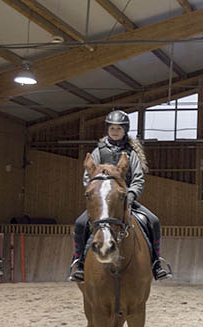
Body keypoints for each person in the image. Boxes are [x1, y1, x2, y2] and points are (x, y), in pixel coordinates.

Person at [68, 110, 169, 282]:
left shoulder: (131, 154)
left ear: (125, 130)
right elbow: (88, 176)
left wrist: (130, 195)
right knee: (80, 223)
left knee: (153, 221)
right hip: (102, 201)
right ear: (108, 129)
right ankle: (79, 263)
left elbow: (138, 178)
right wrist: (97, 192)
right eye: (112, 128)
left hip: (124, 200)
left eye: (119, 129)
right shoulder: (98, 152)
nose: (115, 132)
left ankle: (156, 263)